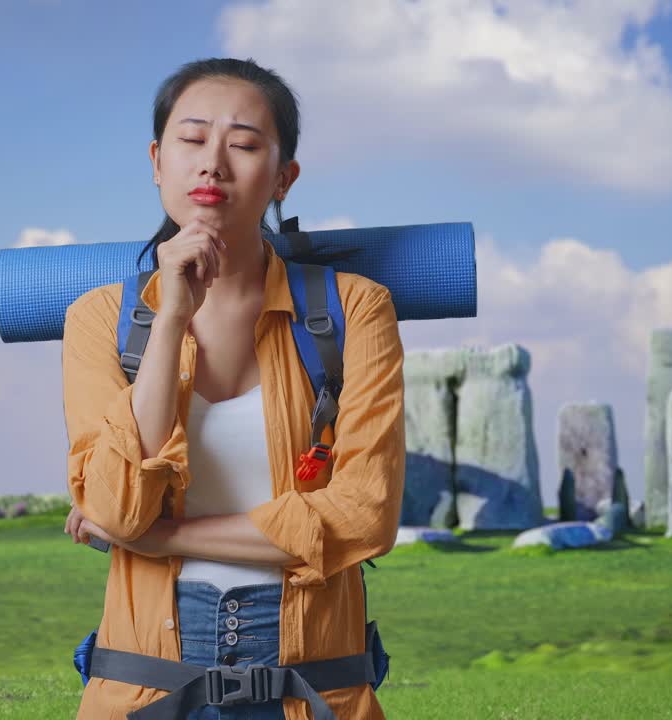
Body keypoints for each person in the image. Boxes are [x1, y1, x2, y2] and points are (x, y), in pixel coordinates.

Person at [61, 57, 405, 719]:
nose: (213, 164)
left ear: (282, 178)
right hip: (143, 690)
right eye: (191, 140)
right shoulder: (98, 320)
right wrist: (171, 320)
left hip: (313, 689)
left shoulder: (356, 309)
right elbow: (117, 507)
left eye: (244, 145)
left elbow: (366, 517)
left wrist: (162, 537)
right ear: (157, 161)